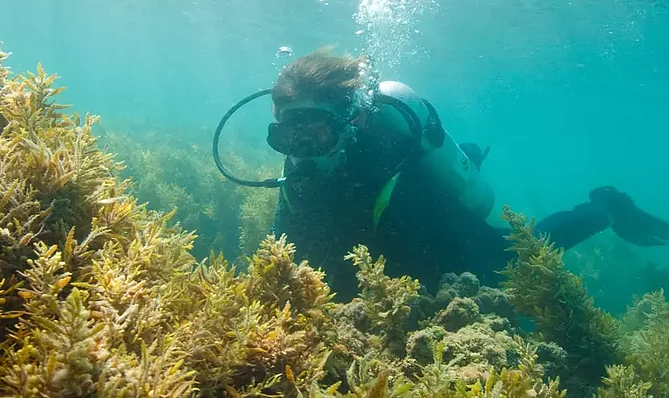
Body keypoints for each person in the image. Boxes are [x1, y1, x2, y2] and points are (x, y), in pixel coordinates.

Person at [261, 49, 669, 299]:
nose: (302, 151)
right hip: (379, 228)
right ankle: (471, 154)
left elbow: (426, 252)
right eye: (287, 137)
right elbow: (291, 247)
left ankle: (606, 207)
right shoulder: (301, 168)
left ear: (352, 122)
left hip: (420, 209)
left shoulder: (386, 151)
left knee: (504, 263)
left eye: (315, 134)